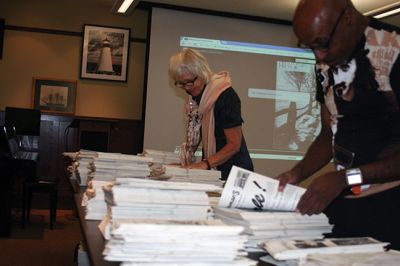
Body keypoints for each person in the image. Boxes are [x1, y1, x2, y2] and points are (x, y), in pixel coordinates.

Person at [276, 0, 400, 250]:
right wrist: (296, 173)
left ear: (348, 16)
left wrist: (346, 178)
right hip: (346, 206)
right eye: (310, 47)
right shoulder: (324, 64)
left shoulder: (394, 49)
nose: (319, 56)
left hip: (391, 212)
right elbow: (328, 134)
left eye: (322, 43)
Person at [168, 48, 253, 180]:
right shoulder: (194, 99)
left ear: (202, 73)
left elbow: (234, 144)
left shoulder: (226, 96)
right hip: (213, 168)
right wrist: (184, 164)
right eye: (181, 83)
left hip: (234, 172)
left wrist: (205, 164)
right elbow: (195, 137)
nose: (186, 88)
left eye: (190, 82)